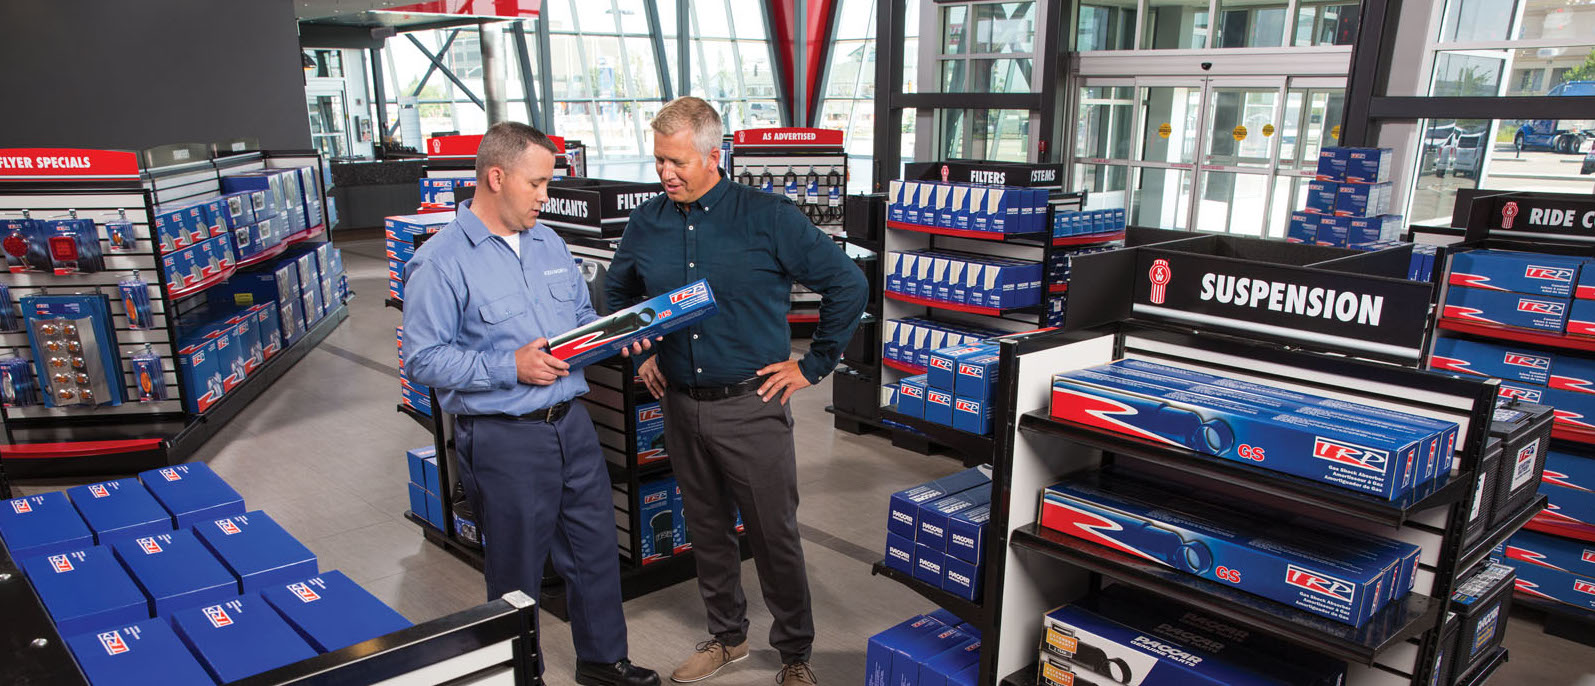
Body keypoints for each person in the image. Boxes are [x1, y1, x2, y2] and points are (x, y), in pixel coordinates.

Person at [606, 97, 868, 686]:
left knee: (774, 536)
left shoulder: (768, 217)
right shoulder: (647, 222)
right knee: (707, 530)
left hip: (753, 406)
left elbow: (848, 284)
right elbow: (617, 292)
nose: (665, 174)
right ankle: (728, 638)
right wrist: (644, 348)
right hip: (680, 405)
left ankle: (795, 654)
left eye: (676, 162)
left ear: (711, 154)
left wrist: (814, 365)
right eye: (658, 162)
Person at [403, 121, 660, 686]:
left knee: (594, 550)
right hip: (503, 436)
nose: (547, 196)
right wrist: (507, 366)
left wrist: (621, 333)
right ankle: (523, 674)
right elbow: (422, 360)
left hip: (571, 424)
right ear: (497, 177)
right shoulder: (441, 262)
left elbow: (579, 323)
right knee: (517, 569)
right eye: (538, 183)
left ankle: (601, 662)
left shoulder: (548, 242)